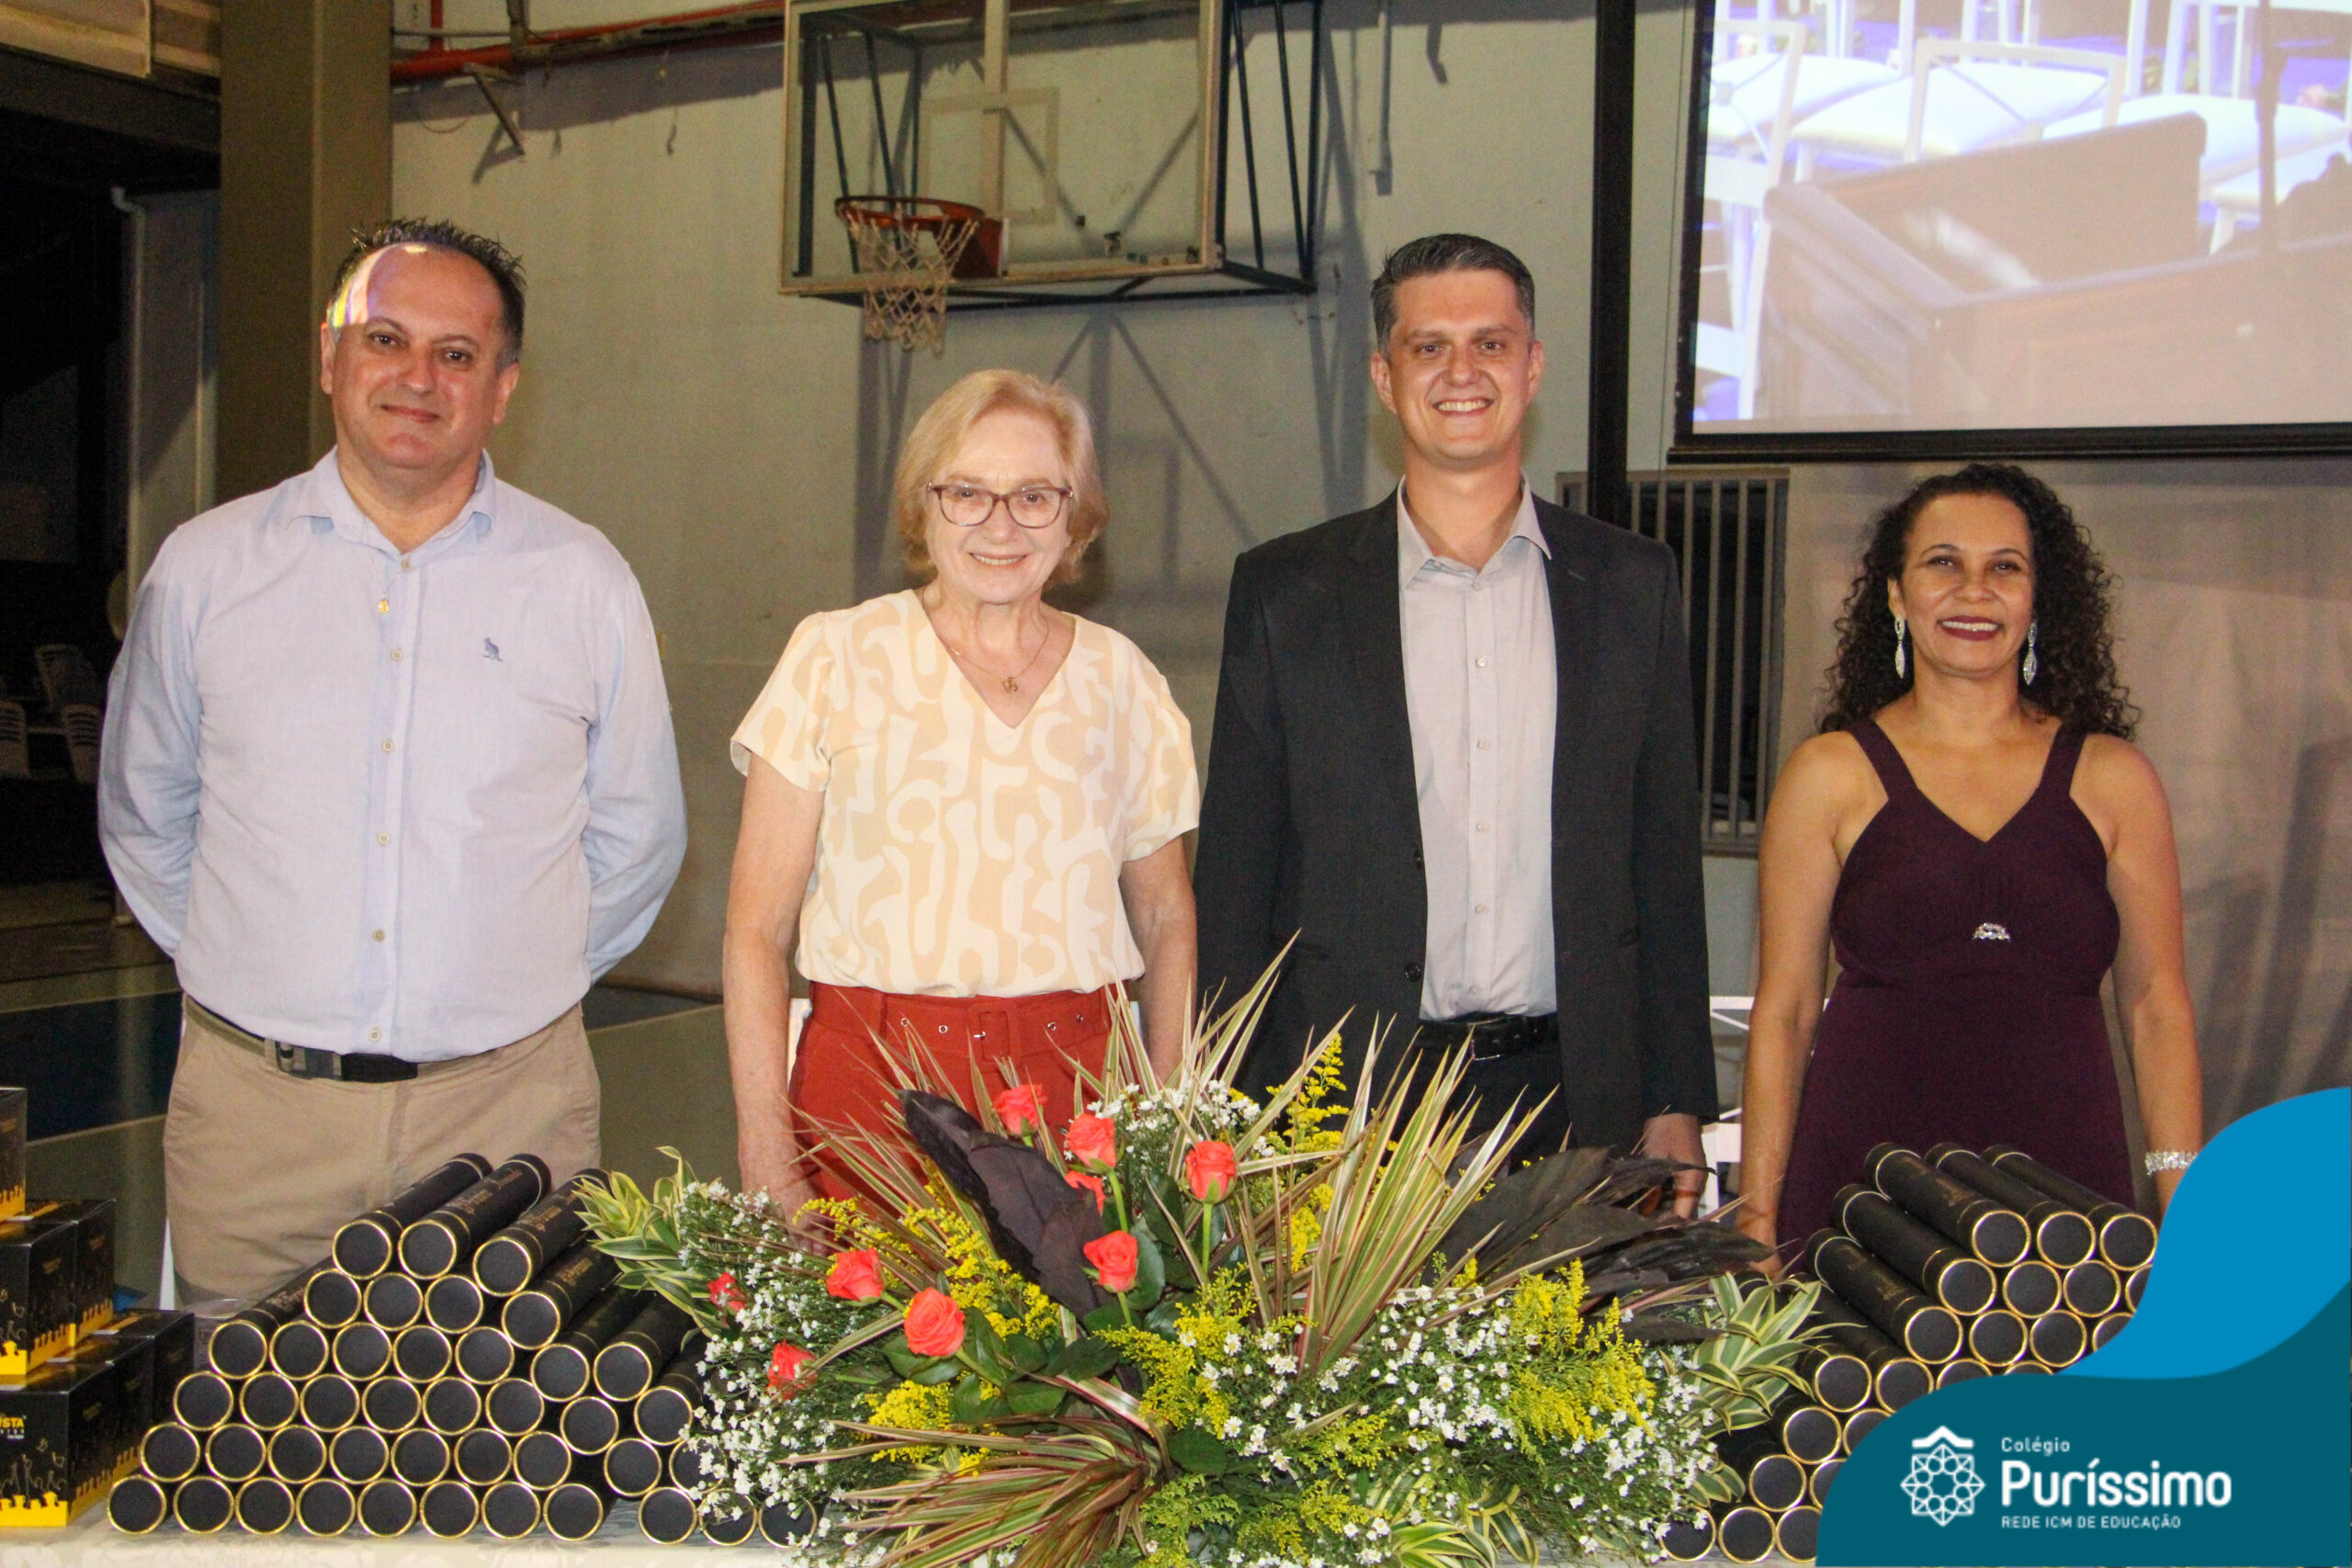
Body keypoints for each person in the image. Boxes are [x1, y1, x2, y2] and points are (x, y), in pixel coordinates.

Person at [100, 220, 687, 1301]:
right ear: (331, 358)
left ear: (502, 389)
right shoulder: (204, 571)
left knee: (507, 1411)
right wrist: (264, 975)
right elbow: (146, 814)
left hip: (510, 1119)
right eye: (385, 340)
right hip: (257, 1125)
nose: (418, 377)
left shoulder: (584, 581)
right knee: (245, 1408)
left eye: (456, 354)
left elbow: (637, 838)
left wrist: (498, 994)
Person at [1193, 233, 1715, 1198]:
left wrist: (1677, 1092)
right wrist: (1230, 1112)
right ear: (1385, 378)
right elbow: (1235, 877)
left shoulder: (1632, 584)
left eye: (1490, 343)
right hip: (1346, 1109)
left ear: (1532, 366)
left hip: (1577, 1099)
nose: (1462, 372)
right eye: (1429, 347)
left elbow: (1663, 859)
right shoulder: (1284, 592)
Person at [725, 369, 1199, 1214]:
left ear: (1076, 515)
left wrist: (1167, 1118)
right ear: (925, 504)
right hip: (871, 1093)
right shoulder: (833, 658)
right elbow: (757, 930)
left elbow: (1166, 918)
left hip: (1078, 1093)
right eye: (968, 493)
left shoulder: (1123, 679)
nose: (1000, 525)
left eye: (1034, 497)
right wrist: (764, 1140)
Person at [1739, 464, 2204, 1264]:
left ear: (2037, 598)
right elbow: (1784, 1011)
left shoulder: (2115, 778)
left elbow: (2156, 1008)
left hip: (2069, 1201)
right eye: (1944, 562)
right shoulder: (1827, 773)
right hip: (1862, 1201)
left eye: (2005, 567)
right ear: (1896, 594)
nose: (1974, 590)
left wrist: (2186, 1204)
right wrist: (1755, 1217)